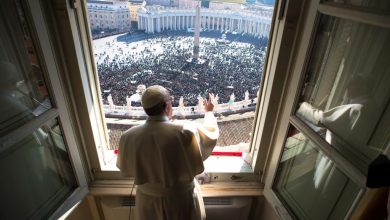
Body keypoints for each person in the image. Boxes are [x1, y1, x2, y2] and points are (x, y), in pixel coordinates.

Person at [116, 85, 219, 220]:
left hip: (147, 203)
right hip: (181, 201)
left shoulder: (128, 137)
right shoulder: (186, 131)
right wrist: (209, 112)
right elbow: (211, 134)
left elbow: (125, 168)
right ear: (166, 105)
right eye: (171, 100)